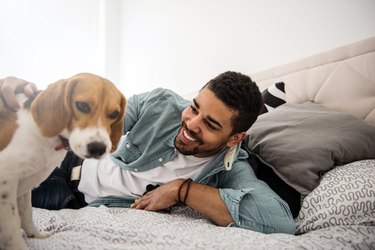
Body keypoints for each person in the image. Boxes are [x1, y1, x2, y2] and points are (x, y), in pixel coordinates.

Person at [0, 71, 295, 234]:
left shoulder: (231, 169)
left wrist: (183, 190)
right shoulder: (160, 103)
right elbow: (98, 114)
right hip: (66, 160)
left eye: (210, 124)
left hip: (71, 199)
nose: (190, 124)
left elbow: (279, 221)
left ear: (234, 138)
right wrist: (29, 94)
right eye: (193, 107)